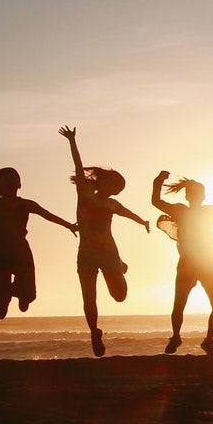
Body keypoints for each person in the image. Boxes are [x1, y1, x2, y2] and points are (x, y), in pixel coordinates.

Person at [0, 146, 77, 319]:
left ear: (19, 185)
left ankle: (23, 297)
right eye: (6, 181)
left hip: (20, 249)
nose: (10, 184)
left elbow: (48, 215)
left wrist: (68, 225)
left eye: (13, 180)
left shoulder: (26, 204)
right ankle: (2, 302)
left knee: (27, 287)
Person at [59, 126, 149, 357]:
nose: (116, 192)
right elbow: (79, 168)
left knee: (120, 296)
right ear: (105, 182)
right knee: (89, 297)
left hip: (109, 254)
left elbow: (129, 213)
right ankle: (94, 333)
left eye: (119, 189)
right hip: (86, 255)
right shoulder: (84, 194)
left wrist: (143, 222)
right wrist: (72, 141)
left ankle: (121, 267)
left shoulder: (112, 205)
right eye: (115, 186)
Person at [152, 171, 213, 355]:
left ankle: (206, 341)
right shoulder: (183, 210)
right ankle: (179, 337)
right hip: (193, 263)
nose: (196, 196)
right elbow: (156, 202)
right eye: (195, 194)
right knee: (185, 305)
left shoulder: (202, 210)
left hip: (207, 263)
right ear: (192, 196)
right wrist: (158, 181)